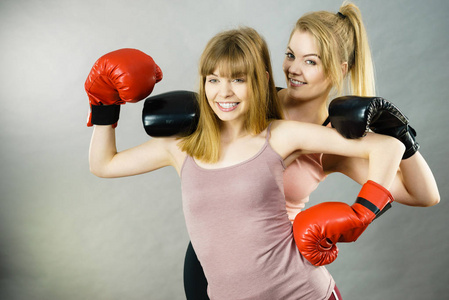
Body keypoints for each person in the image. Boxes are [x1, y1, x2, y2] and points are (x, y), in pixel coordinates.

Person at [87, 26, 405, 299]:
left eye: (238, 80)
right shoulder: (182, 146)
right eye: (213, 80)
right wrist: (104, 106)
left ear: (261, 80)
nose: (224, 92)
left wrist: (361, 214)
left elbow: (387, 147)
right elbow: (104, 165)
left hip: (301, 292)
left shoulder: (280, 136)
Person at [182, 2, 440, 299]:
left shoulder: (334, 142)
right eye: (291, 55)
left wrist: (401, 134)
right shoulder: (252, 100)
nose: (293, 69)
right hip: (206, 259)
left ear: (339, 70)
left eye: (310, 61)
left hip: (275, 269)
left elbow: (424, 195)